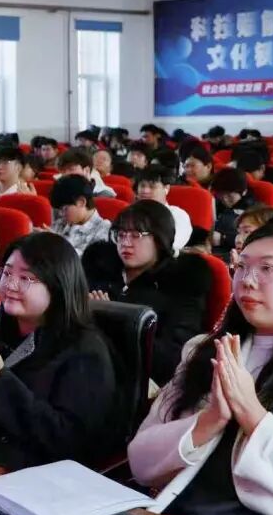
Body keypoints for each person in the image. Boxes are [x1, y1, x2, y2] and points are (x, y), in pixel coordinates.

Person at [128, 222, 273, 515]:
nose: (247, 280)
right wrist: (210, 420)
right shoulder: (203, 351)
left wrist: (253, 416)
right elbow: (140, 462)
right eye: (242, 266)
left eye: (267, 269)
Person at [0, 233, 121, 469]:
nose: (10, 285)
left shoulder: (85, 353)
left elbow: (71, 442)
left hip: (28, 477)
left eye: (26, 278)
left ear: (59, 285)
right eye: (6, 274)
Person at [84, 201, 212, 386]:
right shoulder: (100, 270)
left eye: (136, 235)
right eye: (121, 234)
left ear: (160, 239)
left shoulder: (182, 284)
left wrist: (112, 322)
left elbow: (174, 358)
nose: (126, 243)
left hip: (133, 380)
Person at [49, 175, 111, 256]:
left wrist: (57, 244)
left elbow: (91, 260)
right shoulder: (61, 223)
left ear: (81, 202)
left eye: (64, 209)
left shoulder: (104, 229)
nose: (61, 214)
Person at [134, 165, 191, 252]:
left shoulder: (178, 215)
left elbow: (173, 244)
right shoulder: (130, 213)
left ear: (166, 188)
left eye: (152, 186)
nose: (145, 191)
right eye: (142, 186)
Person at [213, 168, 257, 257]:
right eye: (221, 195)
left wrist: (223, 238)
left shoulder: (253, 211)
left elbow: (254, 237)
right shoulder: (215, 203)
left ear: (243, 192)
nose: (225, 199)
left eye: (229, 196)